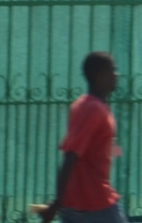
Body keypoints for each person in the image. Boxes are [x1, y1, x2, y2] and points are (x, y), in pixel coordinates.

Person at [39, 51, 123, 223]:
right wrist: (57, 203)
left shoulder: (92, 106)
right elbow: (71, 155)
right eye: (113, 70)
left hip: (82, 204)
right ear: (100, 75)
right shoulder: (92, 109)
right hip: (94, 204)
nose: (117, 75)